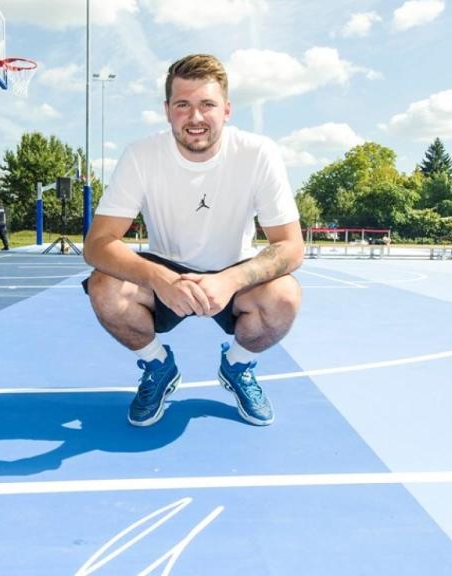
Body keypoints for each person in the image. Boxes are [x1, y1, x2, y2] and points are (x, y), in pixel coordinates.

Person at [83, 54, 303, 428]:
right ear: (168, 110)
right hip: (165, 267)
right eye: (183, 105)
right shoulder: (141, 155)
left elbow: (291, 245)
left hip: (234, 270)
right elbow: (98, 243)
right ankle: (158, 366)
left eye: (207, 105)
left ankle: (236, 366)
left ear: (227, 110)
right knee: (104, 287)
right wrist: (159, 278)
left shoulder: (258, 153)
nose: (196, 117)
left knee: (284, 297)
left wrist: (229, 280)